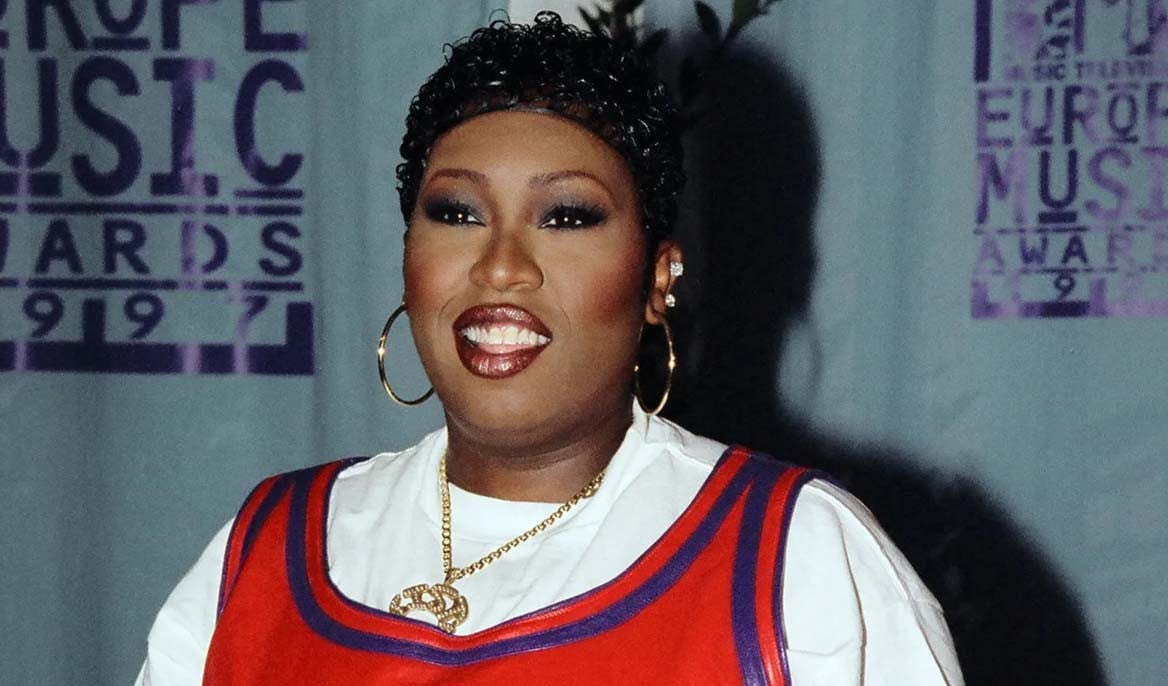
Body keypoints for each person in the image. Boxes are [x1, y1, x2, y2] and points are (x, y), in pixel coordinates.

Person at [136, 12, 962, 685]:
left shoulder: (801, 560)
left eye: (567, 216)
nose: (500, 266)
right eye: (456, 213)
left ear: (657, 278)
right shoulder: (263, 554)